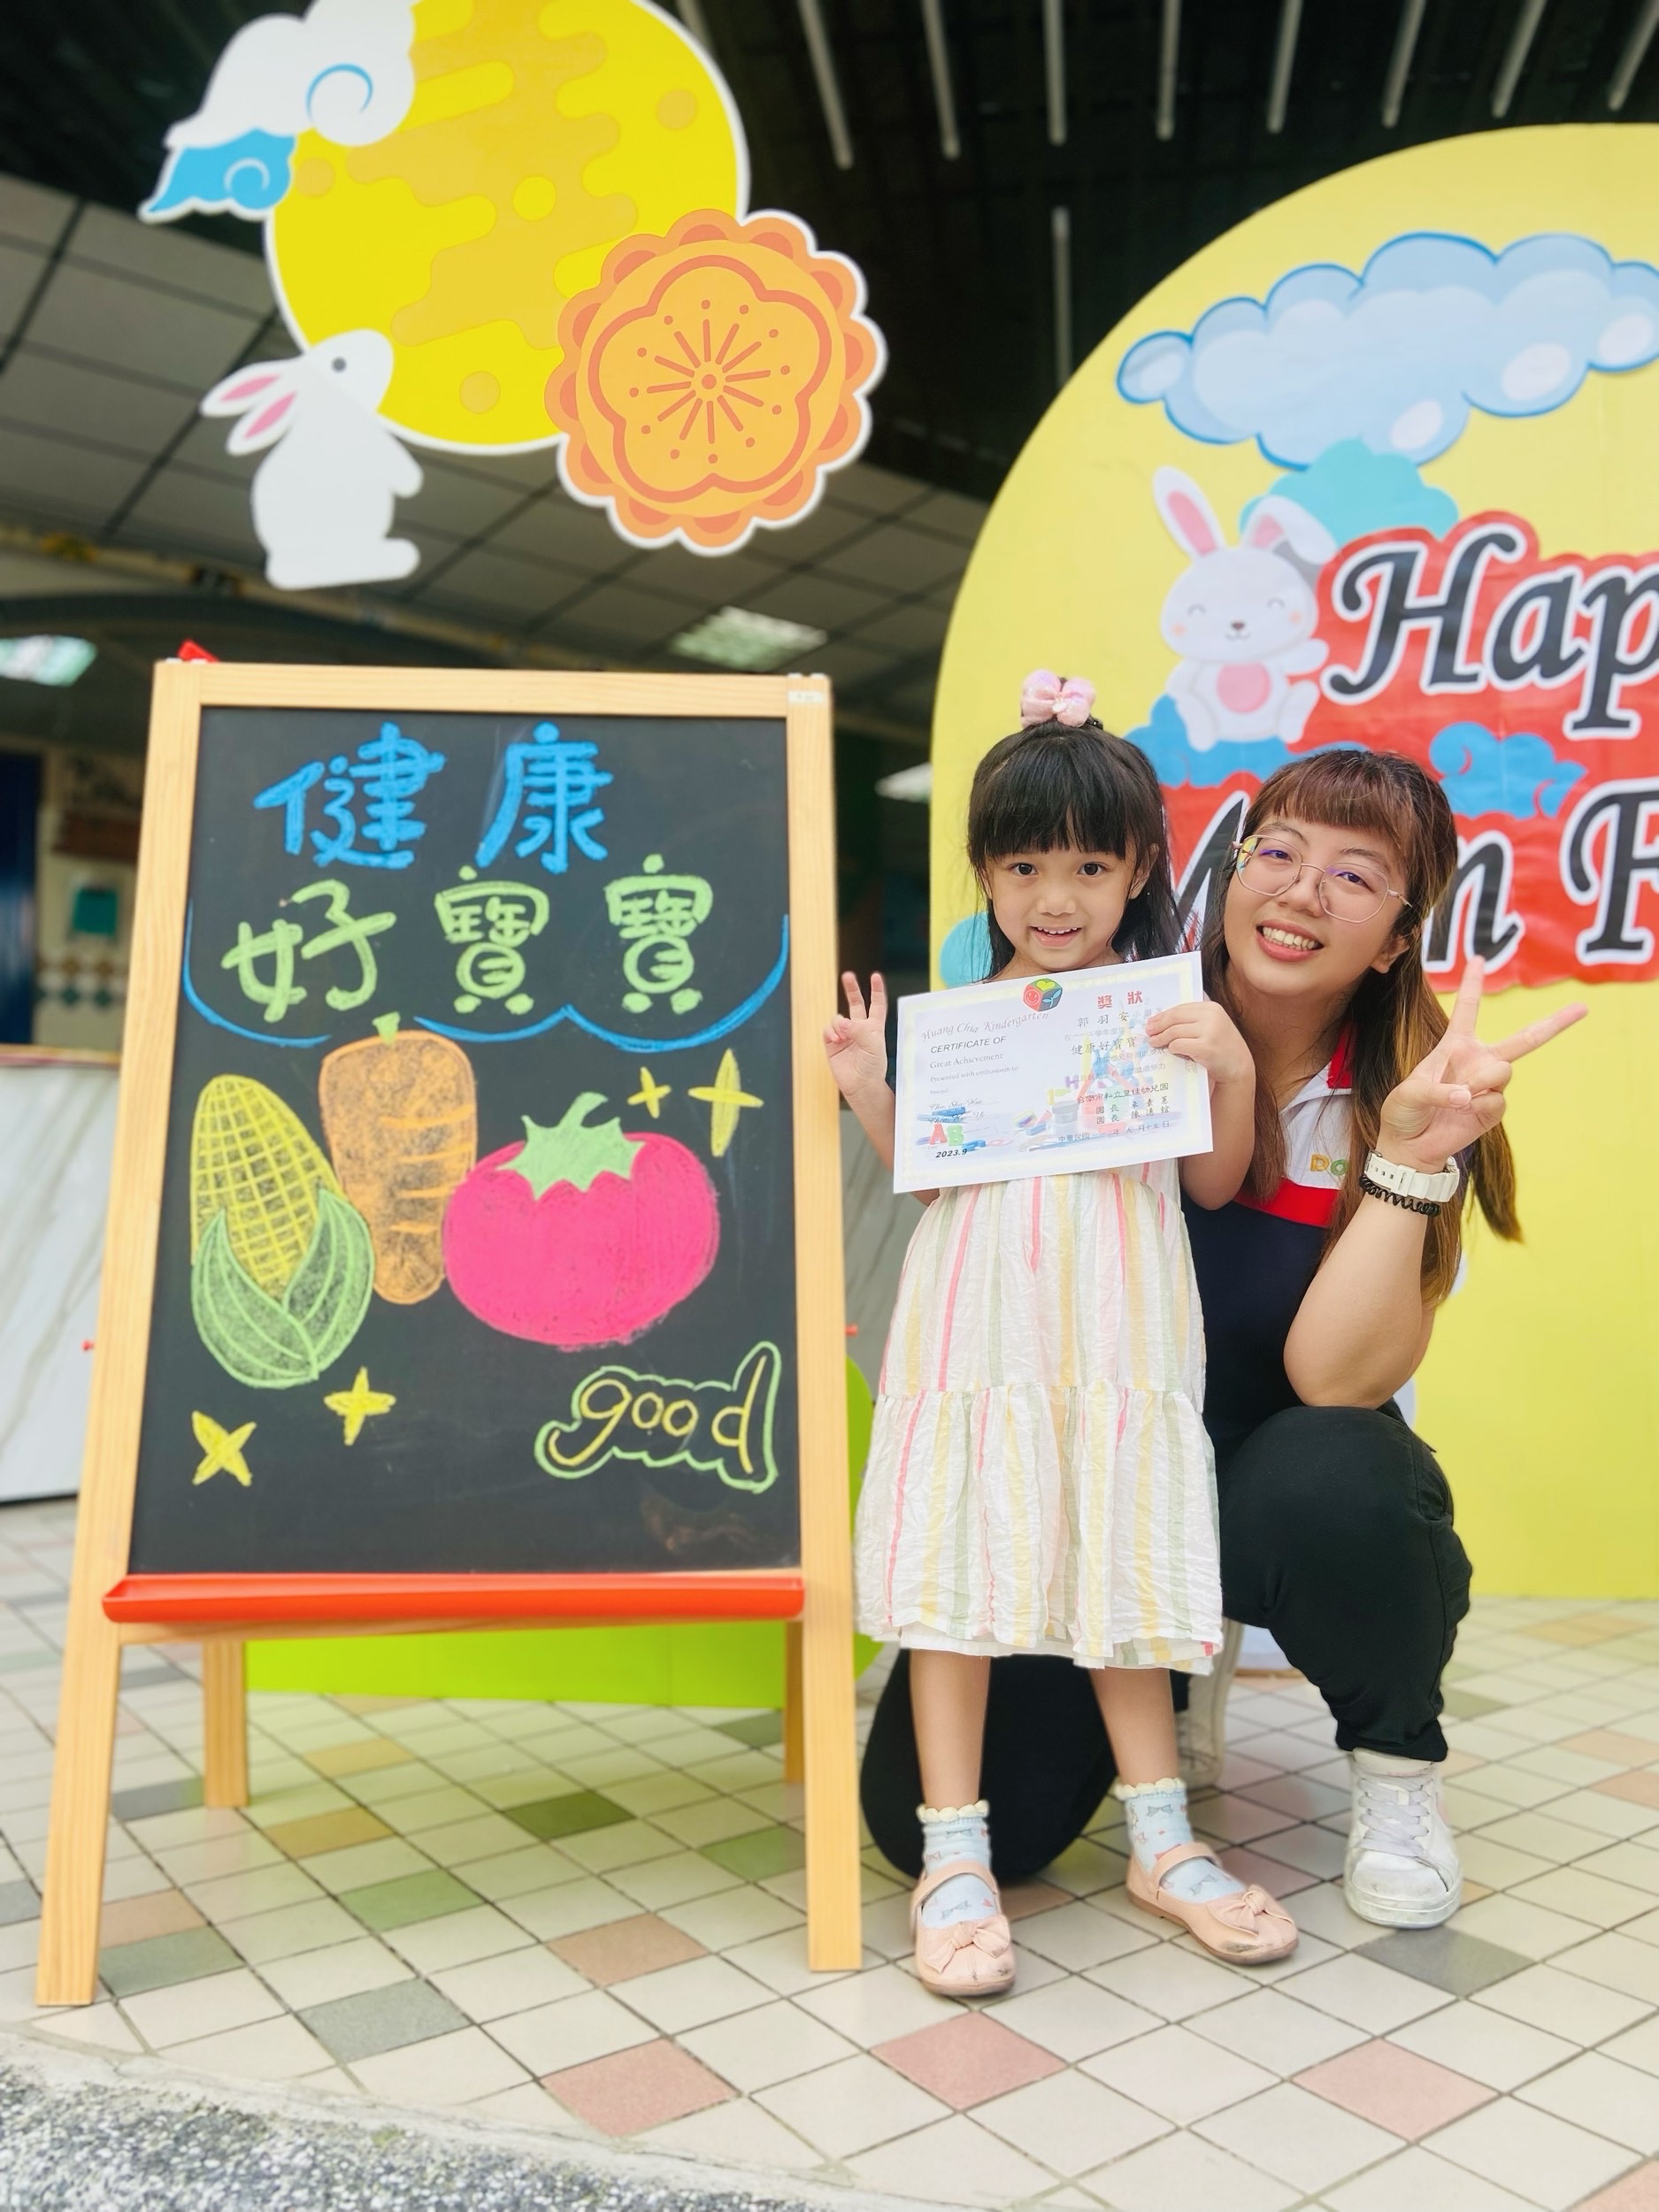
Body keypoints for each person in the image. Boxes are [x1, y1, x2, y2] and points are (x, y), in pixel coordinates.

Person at [859, 743, 1586, 1932]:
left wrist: (1409, 1158)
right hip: (1065, 1466)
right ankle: (1175, 1678)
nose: (1302, 891)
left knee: (1348, 1475)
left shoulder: (1415, 1093)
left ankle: (1397, 1771)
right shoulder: (1113, 1007)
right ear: (1225, 873)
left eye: (1354, 877)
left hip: (1247, 1472)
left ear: (1397, 939)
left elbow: (1334, 1378)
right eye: (1280, 852)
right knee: (929, 1825)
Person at [825, 670, 1298, 1996]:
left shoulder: (1163, 1011)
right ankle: (953, 1856)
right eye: (1025, 864)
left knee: (1118, 1571)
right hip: (974, 1333)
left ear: (1138, 868)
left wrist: (1231, 1068)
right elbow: (930, 1183)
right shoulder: (967, 1025)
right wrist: (869, 1087)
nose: (1056, 896)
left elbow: (1214, 1185)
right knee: (954, 1584)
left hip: (1119, 1338)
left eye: (1090, 865)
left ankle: (1162, 1841)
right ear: (984, 871)